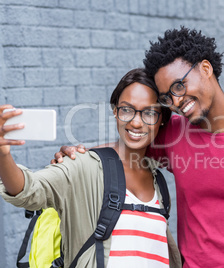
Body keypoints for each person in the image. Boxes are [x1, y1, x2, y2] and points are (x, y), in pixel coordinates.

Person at [54, 27, 224, 267]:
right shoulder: (173, 135)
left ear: (206, 69)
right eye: (167, 96)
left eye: (179, 86)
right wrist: (81, 154)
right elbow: (126, 149)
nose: (176, 100)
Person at [0, 69, 181, 267]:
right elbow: (28, 190)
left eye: (149, 113)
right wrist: (3, 154)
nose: (136, 122)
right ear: (115, 111)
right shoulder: (84, 165)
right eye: (127, 109)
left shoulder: (159, 183)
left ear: (162, 119)